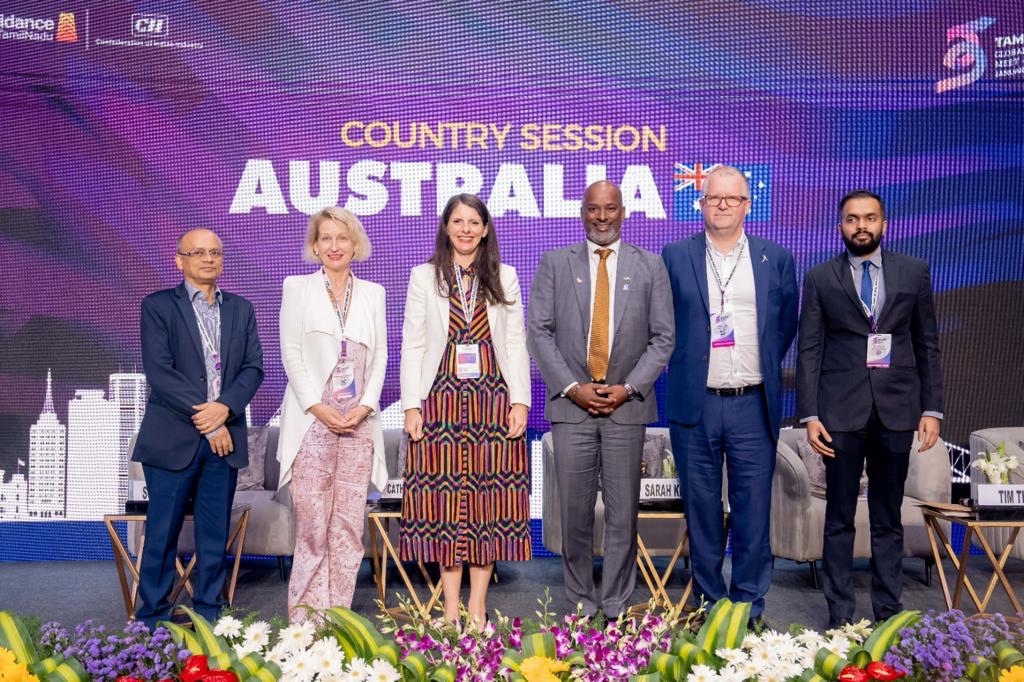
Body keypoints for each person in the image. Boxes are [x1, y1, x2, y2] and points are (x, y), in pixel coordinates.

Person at [527, 180, 674, 620]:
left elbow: (663, 338)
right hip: (571, 407)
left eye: (610, 209)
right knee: (572, 513)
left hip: (626, 408)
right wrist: (573, 387)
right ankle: (578, 600)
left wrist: (628, 388)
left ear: (623, 212)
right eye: (594, 209)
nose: (602, 217)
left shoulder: (650, 266)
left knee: (622, 513)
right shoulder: (555, 263)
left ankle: (614, 602)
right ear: (582, 213)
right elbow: (539, 332)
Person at [797, 189, 943, 628]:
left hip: (898, 410)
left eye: (870, 218)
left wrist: (932, 409)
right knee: (839, 518)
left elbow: (927, 344)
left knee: (887, 519)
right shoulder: (820, 277)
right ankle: (840, 616)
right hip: (839, 413)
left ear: (884, 223)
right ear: (840, 226)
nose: (861, 226)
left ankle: (887, 613)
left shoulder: (913, 272)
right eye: (852, 219)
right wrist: (810, 414)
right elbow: (809, 349)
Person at [660, 165, 798, 624]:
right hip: (694, 405)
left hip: (751, 403)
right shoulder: (674, 256)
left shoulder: (774, 258)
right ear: (699, 205)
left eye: (730, 198)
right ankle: (710, 605)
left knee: (752, 511)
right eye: (712, 198)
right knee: (700, 510)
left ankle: (748, 607)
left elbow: (783, 326)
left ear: (746, 204)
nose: (721, 204)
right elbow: (663, 326)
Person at [399, 193, 531, 628]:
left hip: (493, 400)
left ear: (486, 228)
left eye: (474, 222)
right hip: (439, 400)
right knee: (443, 504)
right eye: (458, 221)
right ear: (446, 227)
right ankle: (450, 609)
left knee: (488, 504)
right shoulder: (424, 275)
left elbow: (515, 342)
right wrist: (412, 405)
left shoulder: (505, 275)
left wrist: (520, 400)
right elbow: (414, 343)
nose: (466, 229)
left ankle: (477, 608)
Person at [133, 228, 264, 630]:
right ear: (180, 260)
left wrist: (224, 408)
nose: (208, 259)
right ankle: (151, 618)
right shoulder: (158, 306)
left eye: (215, 253)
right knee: (161, 534)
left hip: (223, 439)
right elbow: (160, 372)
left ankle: (210, 614)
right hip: (174, 440)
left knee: (213, 535)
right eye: (198, 252)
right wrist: (210, 422)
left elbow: (253, 369)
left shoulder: (240, 309)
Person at [277, 207, 388, 622]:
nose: (334, 246)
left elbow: (379, 359)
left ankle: (337, 618)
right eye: (326, 238)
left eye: (342, 238)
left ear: (355, 243)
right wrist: (319, 408)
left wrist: (363, 407)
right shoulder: (297, 287)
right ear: (314, 246)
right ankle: (305, 621)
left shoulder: (373, 293)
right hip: (312, 422)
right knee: (311, 527)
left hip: (358, 424)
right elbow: (290, 353)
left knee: (347, 526)